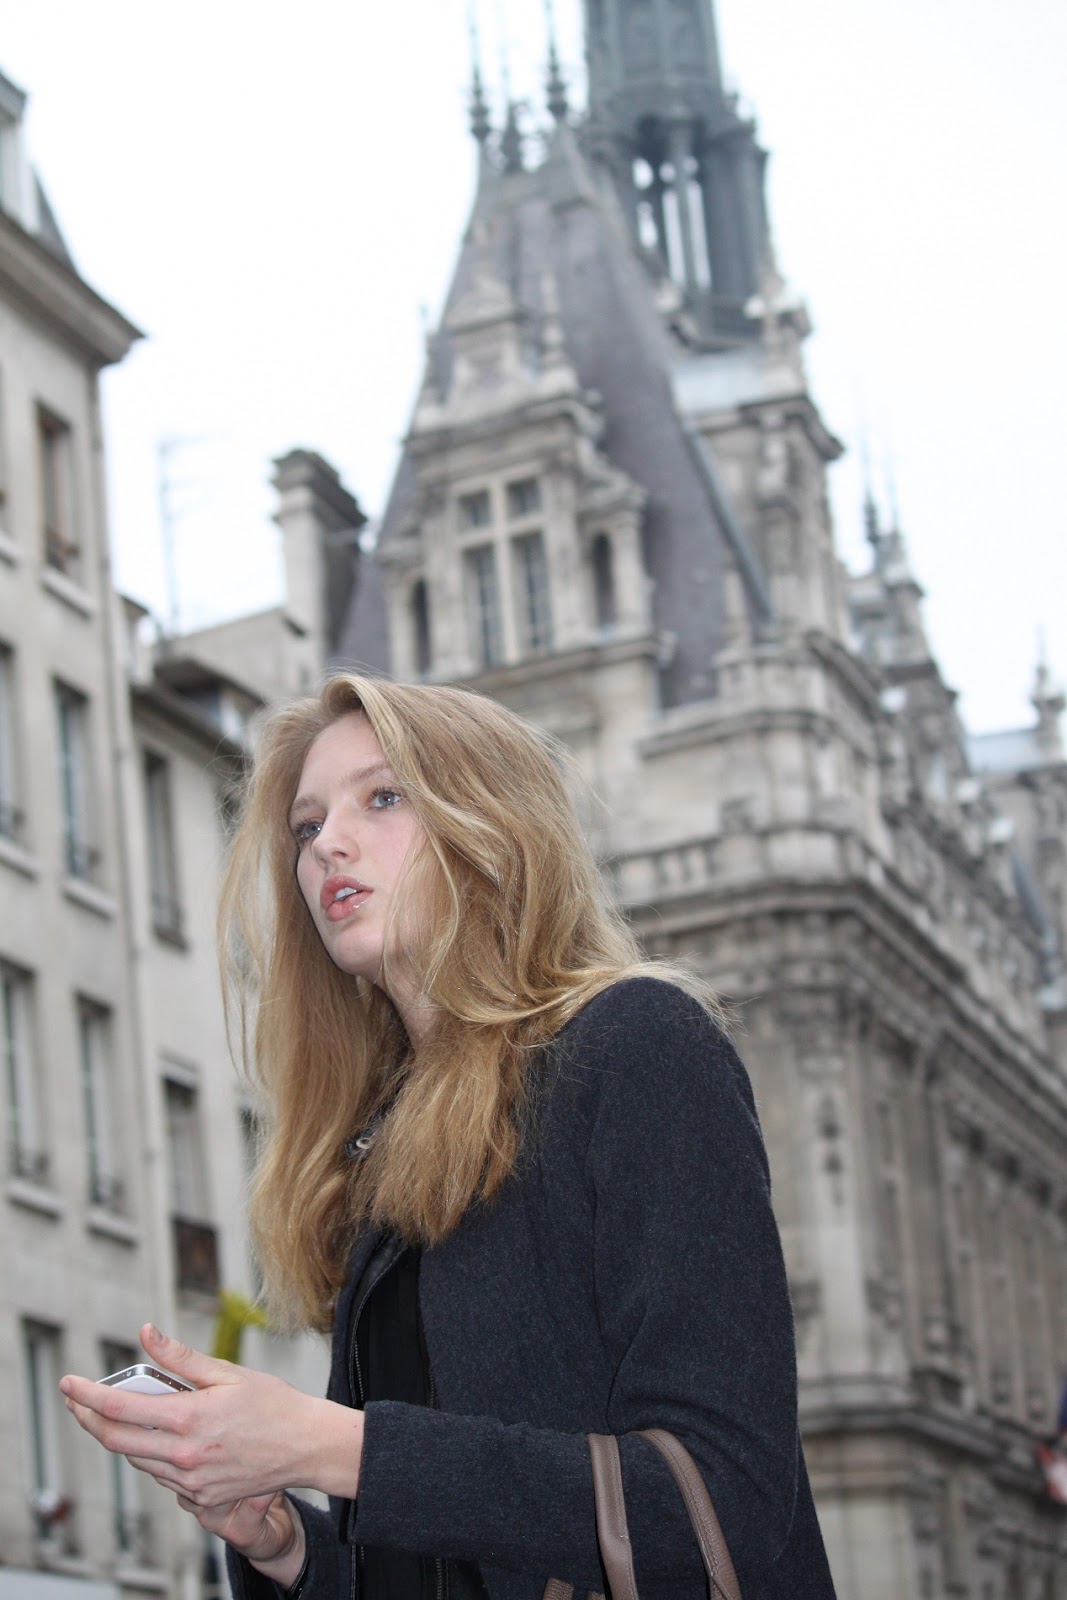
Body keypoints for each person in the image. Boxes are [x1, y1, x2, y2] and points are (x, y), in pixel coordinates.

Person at [61, 674, 837, 1600]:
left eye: (383, 798)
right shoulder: (379, 1143)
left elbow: (722, 1502)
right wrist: (286, 1546)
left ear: (492, 830)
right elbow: (446, 1563)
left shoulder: (637, 1044)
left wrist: (330, 1445)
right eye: (306, 826)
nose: (327, 844)